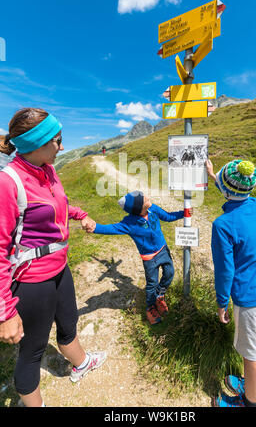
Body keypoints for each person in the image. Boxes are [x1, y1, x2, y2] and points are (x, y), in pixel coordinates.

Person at [0, 108, 107, 407]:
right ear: (40, 142)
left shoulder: (47, 170)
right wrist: (6, 313)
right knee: (32, 350)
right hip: (32, 281)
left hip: (60, 268)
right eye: (58, 140)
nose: (62, 147)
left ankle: (82, 362)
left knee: (69, 322)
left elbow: (56, 205)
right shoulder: (8, 183)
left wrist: (80, 215)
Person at [205, 159, 256, 408]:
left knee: (251, 357)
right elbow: (236, 195)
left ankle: (248, 403)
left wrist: (220, 303)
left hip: (250, 302)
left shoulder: (222, 225)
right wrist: (214, 176)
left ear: (227, 190)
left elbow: (225, 271)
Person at [85, 191, 189, 325]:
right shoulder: (129, 223)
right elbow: (113, 228)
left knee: (170, 273)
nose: (148, 197)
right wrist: (95, 228)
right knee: (152, 283)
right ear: (138, 208)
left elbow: (167, 216)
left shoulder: (153, 209)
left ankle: (160, 295)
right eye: (145, 199)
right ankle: (150, 307)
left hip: (163, 250)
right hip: (149, 259)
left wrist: (183, 213)